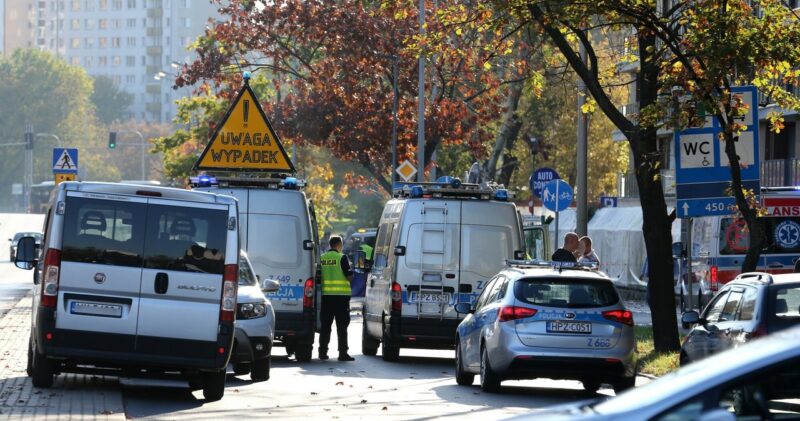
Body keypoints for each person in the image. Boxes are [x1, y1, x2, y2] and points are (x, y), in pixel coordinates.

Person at [318, 236, 355, 361]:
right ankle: (343, 353)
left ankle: (322, 352)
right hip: (341, 298)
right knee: (342, 327)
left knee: (325, 326)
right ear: (339, 244)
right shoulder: (342, 257)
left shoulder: (322, 258)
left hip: (326, 297)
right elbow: (349, 276)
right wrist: (352, 272)